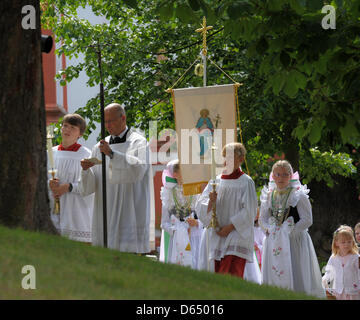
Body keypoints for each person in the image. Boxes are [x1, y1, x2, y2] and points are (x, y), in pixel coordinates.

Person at [79, 103, 154, 253]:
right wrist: (86, 171)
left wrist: (112, 154)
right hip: (106, 210)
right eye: (105, 122)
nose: (107, 125)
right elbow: (91, 186)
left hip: (130, 208)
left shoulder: (138, 142)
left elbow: (138, 170)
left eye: (111, 121)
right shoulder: (99, 147)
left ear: (123, 118)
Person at [259, 160, 325, 298]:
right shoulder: (268, 196)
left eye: (285, 174)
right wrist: (269, 229)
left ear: (290, 176)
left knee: (296, 272)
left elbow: (307, 219)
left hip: (294, 241)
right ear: (273, 176)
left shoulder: (297, 195)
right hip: (274, 242)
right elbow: (262, 219)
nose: (281, 178)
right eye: (278, 174)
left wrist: (289, 231)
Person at [195, 142, 258, 278]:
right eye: (224, 157)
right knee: (218, 274)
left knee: (231, 273)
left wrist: (229, 228)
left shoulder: (246, 182)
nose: (226, 161)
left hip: (236, 234)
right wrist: (211, 202)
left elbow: (249, 211)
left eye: (230, 157)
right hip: (218, 234)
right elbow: (200, 207)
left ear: (240, 160)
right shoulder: (216, 181)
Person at [48, 113, 93, 243]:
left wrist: (69, 187)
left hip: (77, 213)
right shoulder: (50, 153)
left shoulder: (86, 155)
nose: (67, 130)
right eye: (65, 126)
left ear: (80, 134)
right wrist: (49, 184)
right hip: (54, 210)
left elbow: (91, 185)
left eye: (73, 128)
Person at [159, 159, 203, 269]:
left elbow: (204, 217)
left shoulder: (195, 191)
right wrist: (176, 230)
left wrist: (197, 222)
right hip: (176, 240)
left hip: (193, 237)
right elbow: (164, 223)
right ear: (175, 174)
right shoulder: (168, 193)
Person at [322, 225, 360, 300]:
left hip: (352, 290)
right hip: (338, 291)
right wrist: (329, 287)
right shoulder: (334, 257)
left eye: (349, 242)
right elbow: (329, 272)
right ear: (336, 243)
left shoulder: (355, 257)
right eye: (343, 242)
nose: (346, 244)